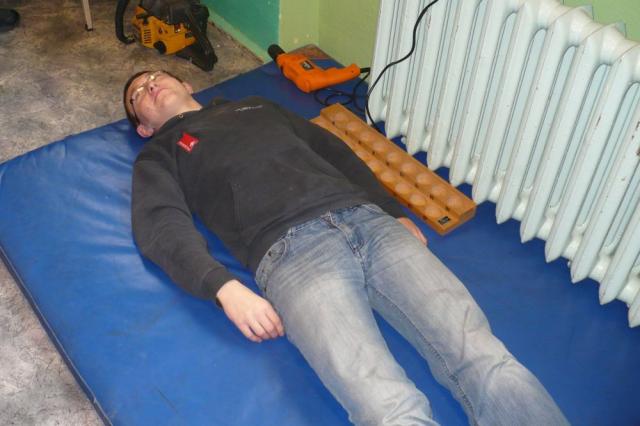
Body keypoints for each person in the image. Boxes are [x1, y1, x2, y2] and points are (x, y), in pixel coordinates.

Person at [124, 70, 568, 426]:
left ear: (186, 83)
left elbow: (334, 152)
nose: (150, 85)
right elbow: (158, 225)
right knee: (387, 408)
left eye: (155, 76)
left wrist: (390, 209)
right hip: (292, 257)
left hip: (372, 223)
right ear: (143, 127)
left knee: (484, 358)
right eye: (137, 93)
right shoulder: (160, 153)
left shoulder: (257, 106)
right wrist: (224, 288)